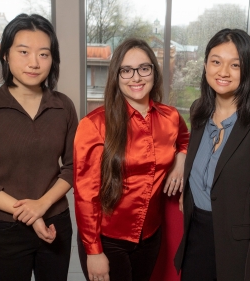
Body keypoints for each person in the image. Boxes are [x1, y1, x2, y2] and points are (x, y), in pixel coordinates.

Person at [0, 14, 77, 281]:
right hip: (5, 228)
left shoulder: (64, 106)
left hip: (55, 222)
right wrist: (30, 213)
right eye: (24, 52)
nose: (34, 63)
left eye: (44, 54)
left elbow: (74, 167)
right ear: (5, 54)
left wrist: (42, 206)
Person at [174, 28, 250, 281]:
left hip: (241, 248)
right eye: (216, 62)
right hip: (196, 238)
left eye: (235, 65)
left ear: (248, 70)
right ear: (205, 65)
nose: (223, 72)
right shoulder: (199, 111)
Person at [74, 38, 189, 281]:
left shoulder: (171, 117)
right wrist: (93, 251)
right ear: (116, 75)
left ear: (154, 73)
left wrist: (181, 159)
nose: (136, 77)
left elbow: (187, 141)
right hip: (108, 239)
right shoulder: (94, 125)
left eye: (143, 68)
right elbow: (86, 195)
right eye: (126, 70)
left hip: (151, 236)